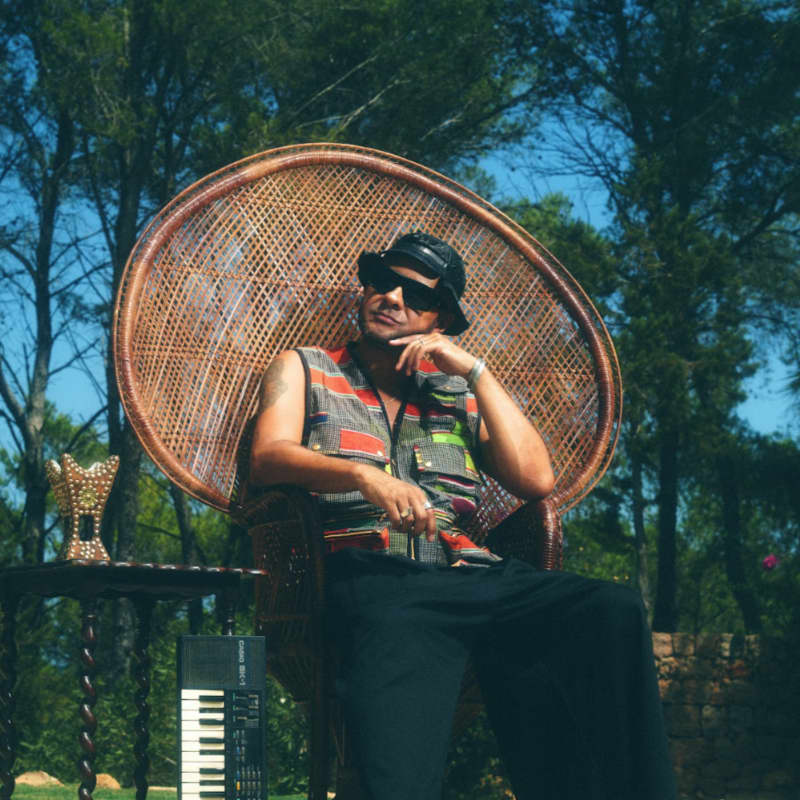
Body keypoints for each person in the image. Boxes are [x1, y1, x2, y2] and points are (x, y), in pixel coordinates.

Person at [249, 232, 676, 800]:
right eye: (384, 282)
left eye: (417, 295)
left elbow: (536, 480)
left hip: (472, 576)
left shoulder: (456, 394)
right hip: (371, 574)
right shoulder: (305, 367)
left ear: (441, 319)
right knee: (399, 730)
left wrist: (476, 372)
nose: (392, 298)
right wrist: (363, 476)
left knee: (611, 608)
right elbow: (267, 457)